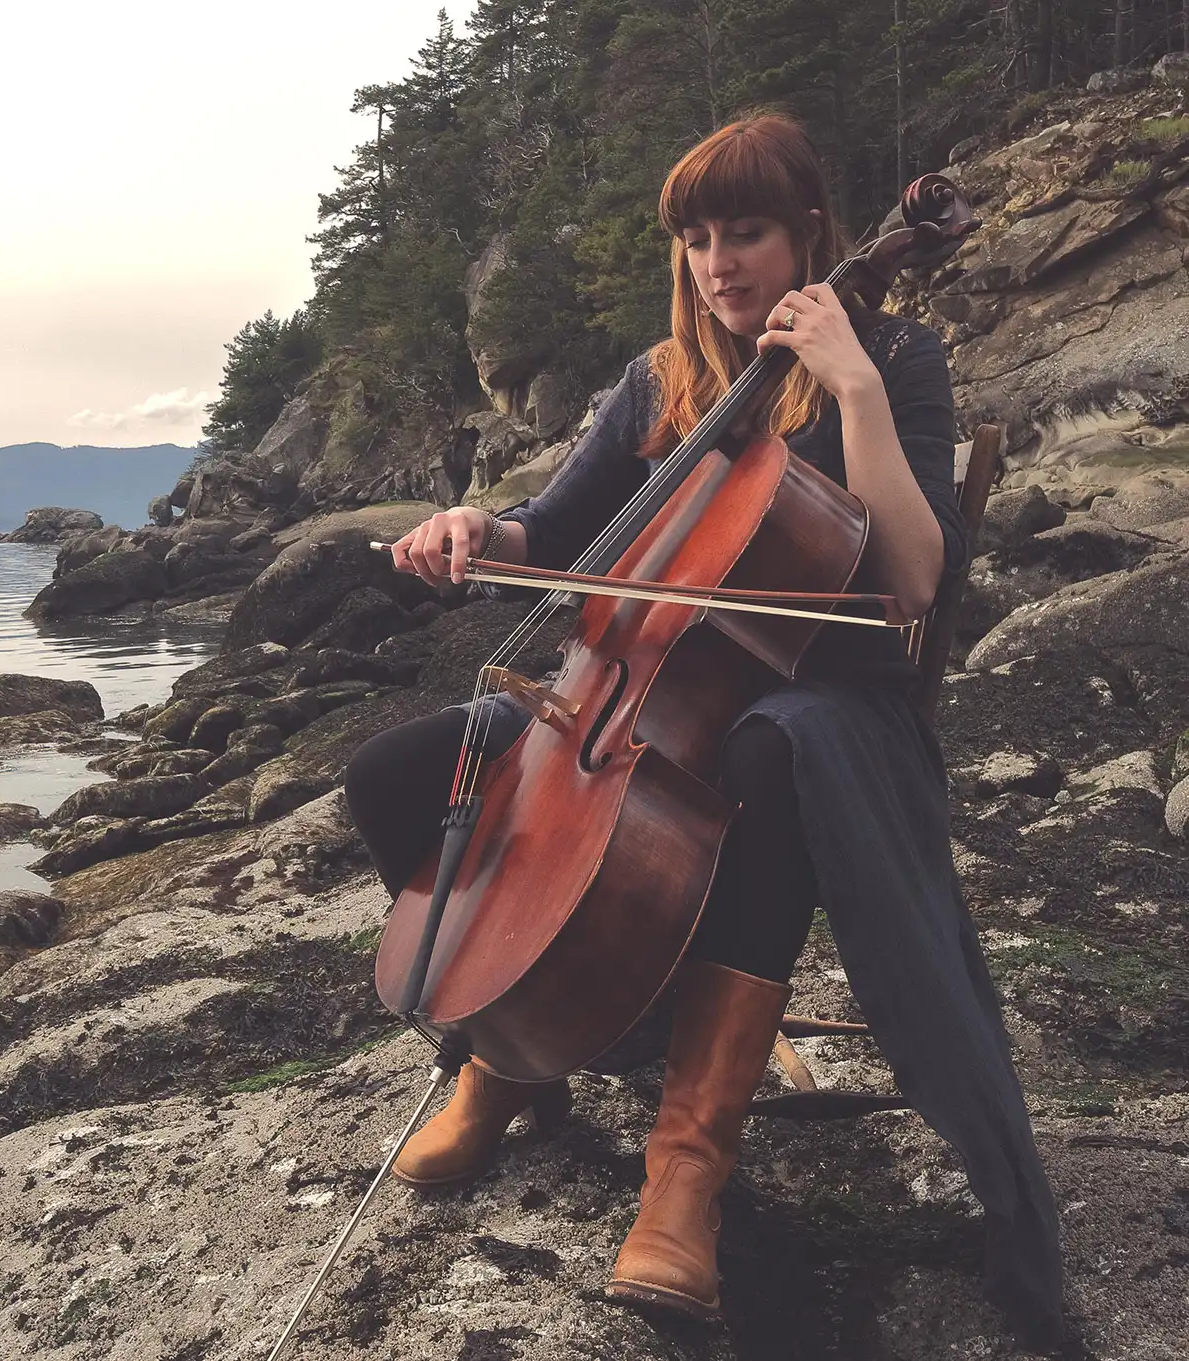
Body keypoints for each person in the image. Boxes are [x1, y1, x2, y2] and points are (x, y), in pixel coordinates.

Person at [343, 113, 1063, 1341]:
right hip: (638, 691)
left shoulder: (896, 358)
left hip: (832, 705)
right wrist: (473, 523)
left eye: (745, 234)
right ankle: (505, 1053)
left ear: (807, 238)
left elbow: (912, 577)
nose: (719, 263)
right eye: (695, 239)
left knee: (765, 754)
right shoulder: (659, 381)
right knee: (396, 770)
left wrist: (853, 385)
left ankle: (683, 1168)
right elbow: (552, 528)